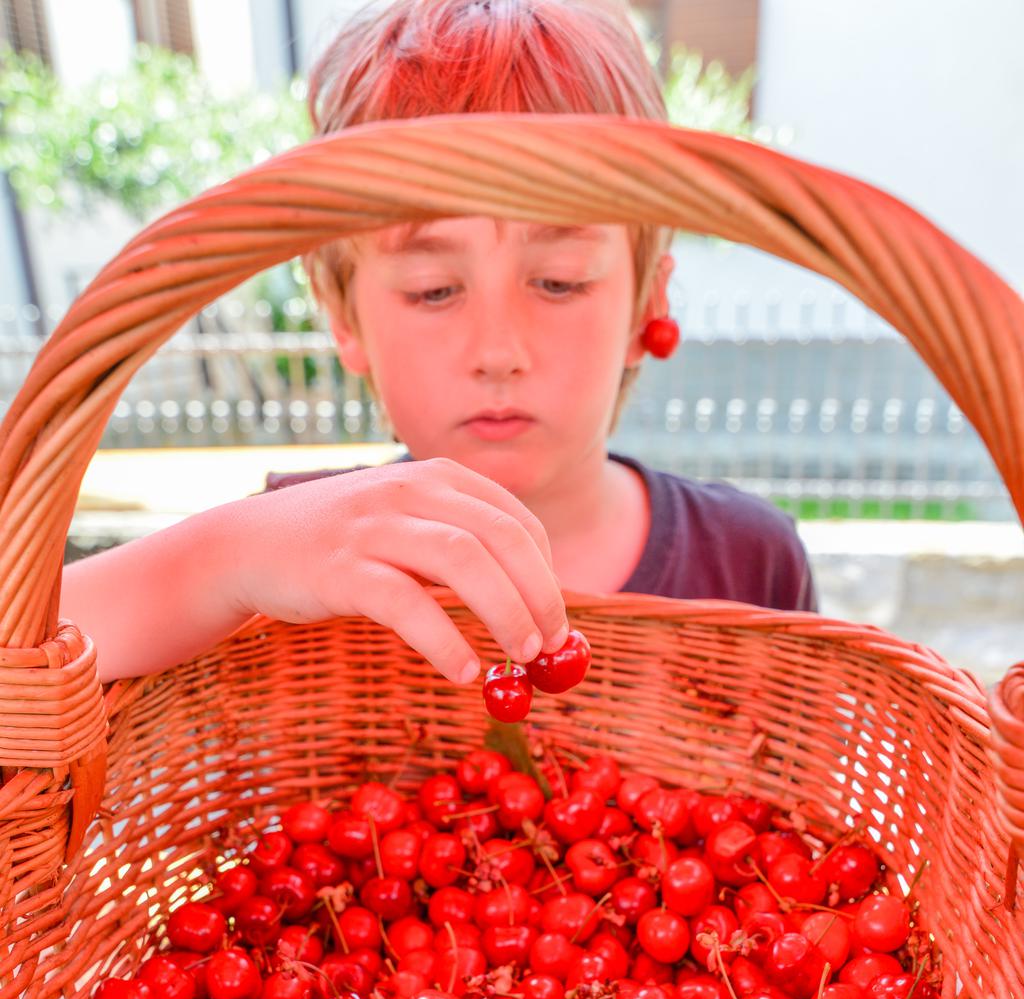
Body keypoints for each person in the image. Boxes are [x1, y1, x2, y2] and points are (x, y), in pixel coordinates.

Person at [61, 0, 816, 689]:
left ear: (646, 302)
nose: (496, 351)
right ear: (343, 316)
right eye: (433, 290)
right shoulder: (303, 548)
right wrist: (222, 561)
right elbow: (30, 660)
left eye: (557, 282)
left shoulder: (751, 561)